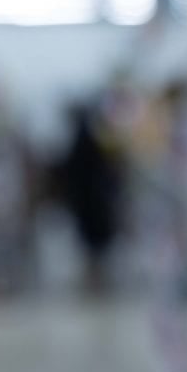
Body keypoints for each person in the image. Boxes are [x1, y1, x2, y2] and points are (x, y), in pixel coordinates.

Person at [60, 102, 122, 291]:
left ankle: (96, 276)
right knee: (94, 242)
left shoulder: (79, 142)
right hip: (92, 202)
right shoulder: (90, 141)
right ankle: (96, 276)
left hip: (88, 202)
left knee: (92, 242)